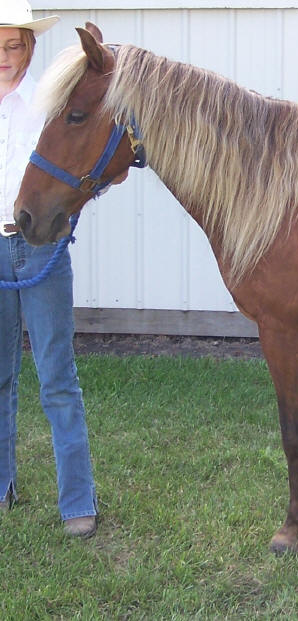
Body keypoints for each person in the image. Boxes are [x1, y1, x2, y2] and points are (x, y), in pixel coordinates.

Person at [0, 0, 97, 538]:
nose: (5, 57)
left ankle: (77, 501)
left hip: (40, 251)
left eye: (14, 45)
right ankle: (2, 485)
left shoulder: (50, 104)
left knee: (57, 376)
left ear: (30, 47)